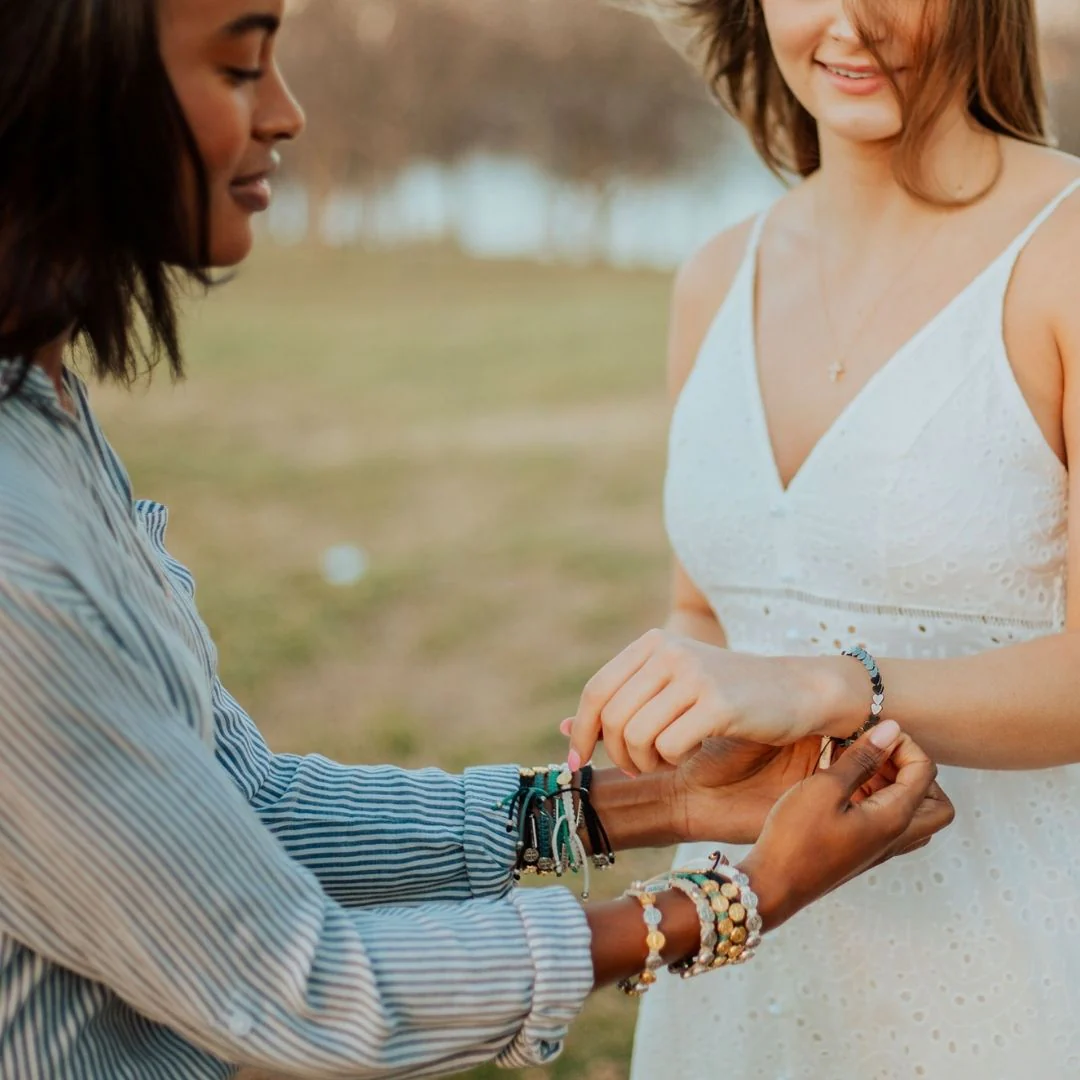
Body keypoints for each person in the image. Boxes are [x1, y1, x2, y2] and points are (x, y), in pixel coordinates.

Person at [0, 1, 955, 1078]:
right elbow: (296, 984)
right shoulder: (14, 551)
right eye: (239, 69)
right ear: (70, 86)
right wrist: (738, 897)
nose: (287, 113)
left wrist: (672, 801)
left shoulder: (46, 413)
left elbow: (247, 809)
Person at [564, 0, 1080, 1075]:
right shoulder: (715, 276)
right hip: (744, 949)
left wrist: (832, 686)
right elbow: (707, 607)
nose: (847, 22)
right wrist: (671, 735)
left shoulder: (1064, 251)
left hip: (1009, 964)